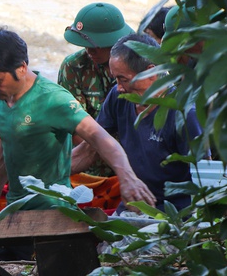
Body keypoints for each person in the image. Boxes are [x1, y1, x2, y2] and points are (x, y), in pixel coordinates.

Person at [0, 28, 155, 213]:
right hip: (16, 205)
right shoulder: (0, 97)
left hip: (53, 208)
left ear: (21, 68)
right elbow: (6, 143)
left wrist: (127, 177)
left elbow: (99, 137)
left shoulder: (54, 100)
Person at [71, 34, 203, 212]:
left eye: (123, 79)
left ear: (151, 73)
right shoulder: (119, 97)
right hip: (133, 205)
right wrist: (50, 173)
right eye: (115, 79)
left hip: (176, 213)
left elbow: (205, 177)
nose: (118, 87)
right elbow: (90, 149)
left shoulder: (183, 112)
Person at [58, 2, 134, 177]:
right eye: (85, 44)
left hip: (133, 164)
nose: (89, 50)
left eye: (96, 45)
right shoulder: (74, 66)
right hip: (88, 164)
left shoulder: (137, 67)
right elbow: (73, 124)